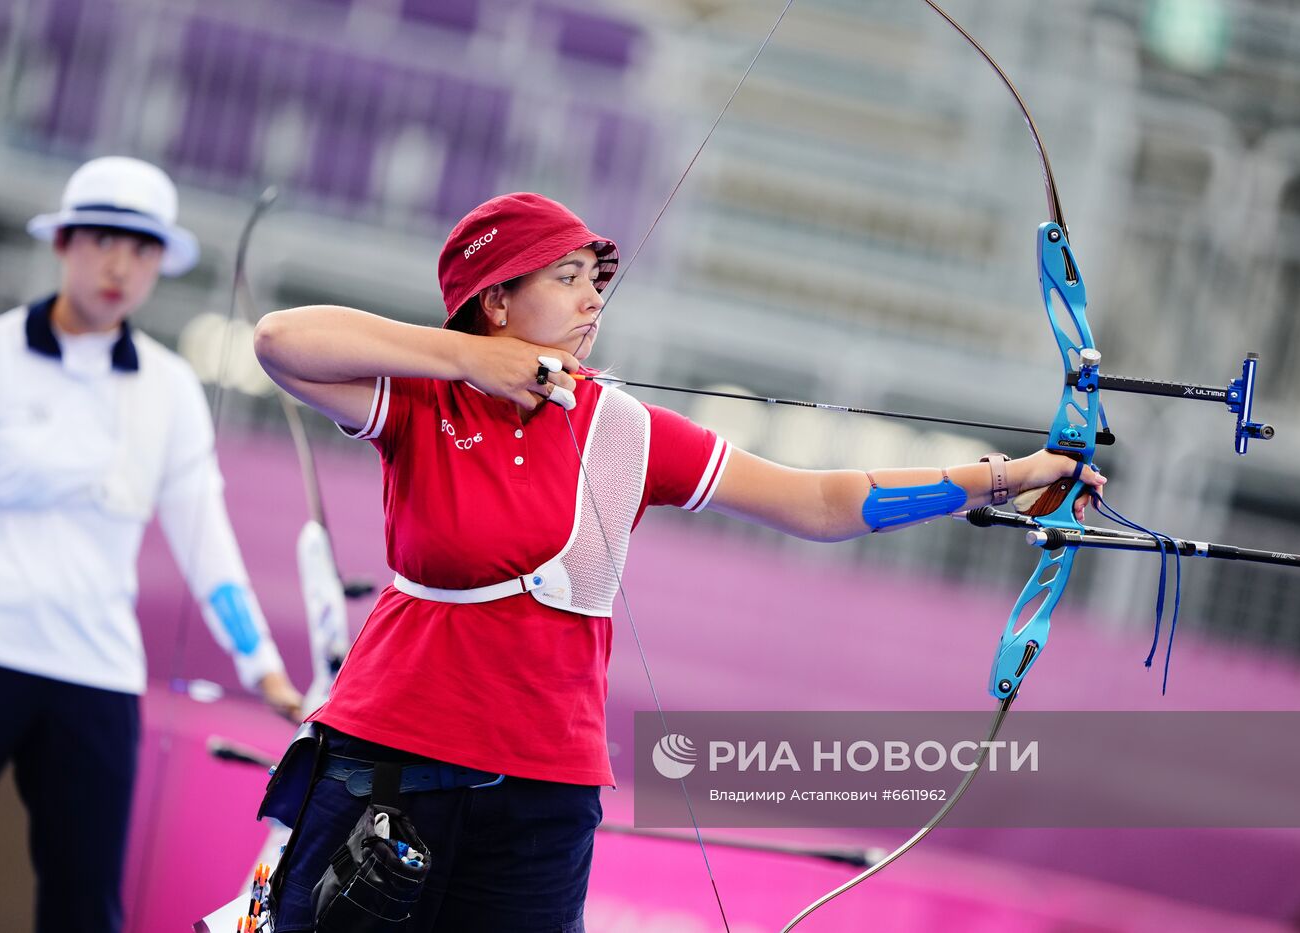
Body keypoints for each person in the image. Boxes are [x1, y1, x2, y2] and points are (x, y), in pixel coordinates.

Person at [252, 191, 1105, 931]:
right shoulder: (419, 398)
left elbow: (817, 503)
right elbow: (280, 339)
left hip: (543, 797)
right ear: (498, 300)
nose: (594, 299)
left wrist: (1005, 476)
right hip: (386, 765)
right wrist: (469, 358)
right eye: (568, 277)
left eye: (598, 280)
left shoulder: (623, 429)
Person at [0, 156, 304, 933]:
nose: (119, 264)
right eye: (103, 239)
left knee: (84, 901)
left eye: (141, 249)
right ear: (64, 242)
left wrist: (262, 665)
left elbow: (205, 536)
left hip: (92, 673)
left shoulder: (168, 388)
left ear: (159, 265)